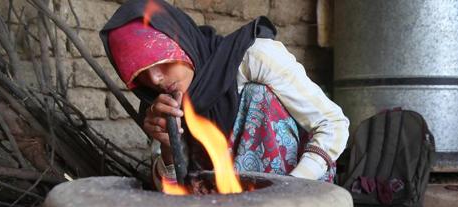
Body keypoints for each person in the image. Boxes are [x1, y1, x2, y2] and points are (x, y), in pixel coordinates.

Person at [100, 0, 349, 188]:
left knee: (257, 96)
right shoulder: (162, 104)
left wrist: (291, 188)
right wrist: (168, 144)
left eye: (162, 62)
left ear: (183, 44)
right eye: (141, 74)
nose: (154, 79)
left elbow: (333, 124)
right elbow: (171, 188)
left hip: (296, 194)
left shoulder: (255, 56)